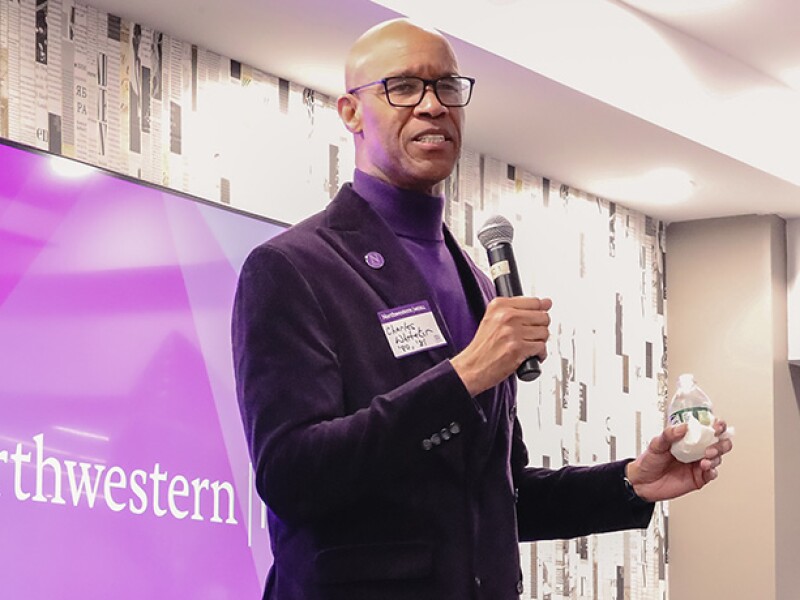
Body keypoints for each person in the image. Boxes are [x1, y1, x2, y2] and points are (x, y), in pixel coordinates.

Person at [232, 18, 732, 600]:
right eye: (403, 87)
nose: (432, 106)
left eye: (447, 87)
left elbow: (498, 491)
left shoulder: (473, 276)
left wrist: (630, 484)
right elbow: (292, 474)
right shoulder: (293, 268)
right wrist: (465, 374)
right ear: (350, 111)